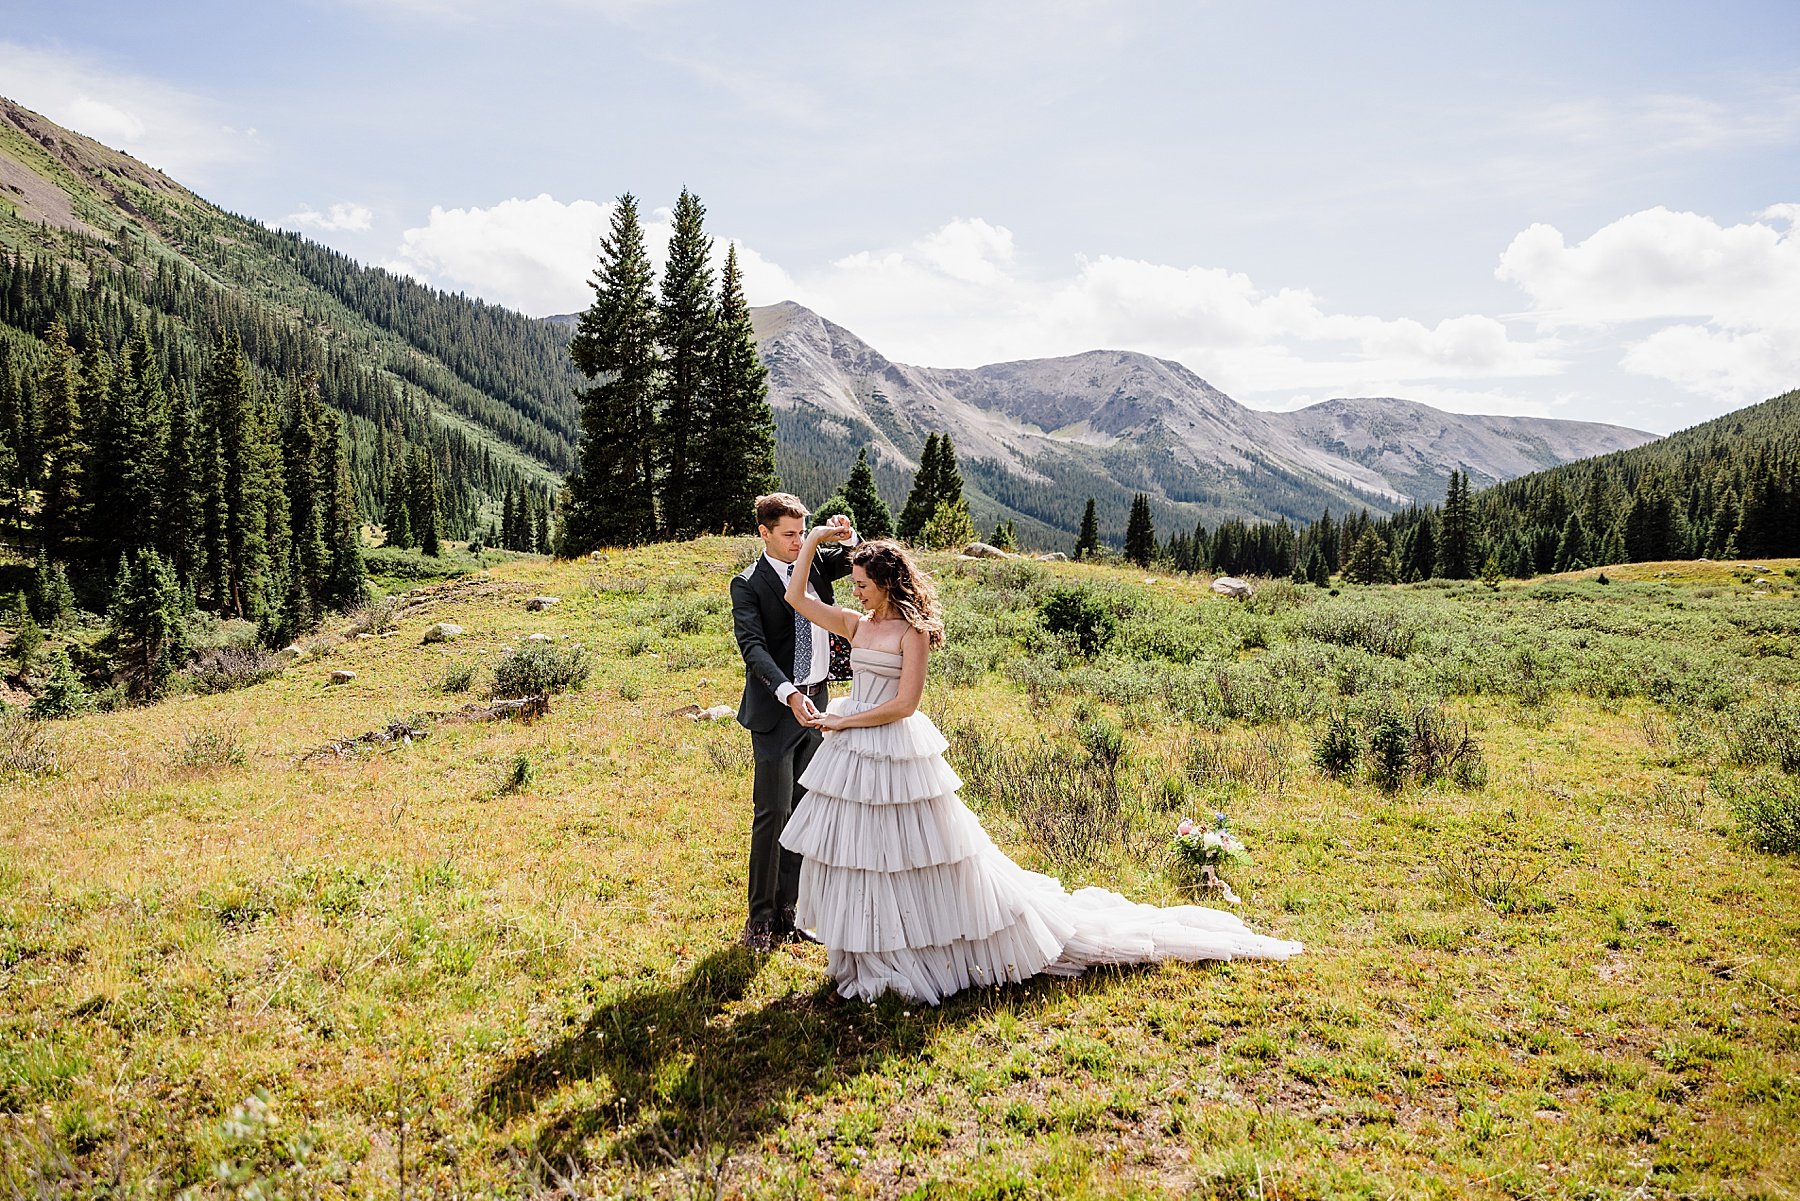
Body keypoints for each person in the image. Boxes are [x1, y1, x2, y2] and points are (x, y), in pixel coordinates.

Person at [778, 531, 1304, 1005]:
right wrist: (815, 539)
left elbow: (907, 704)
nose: (856, 593)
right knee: (865, 854)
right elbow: (795, 598)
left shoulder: (911, 633)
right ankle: (870, 948)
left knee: (916, 855)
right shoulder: (857, 625)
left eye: (864, 583)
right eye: (855, 583)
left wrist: (848, 723)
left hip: (887, 740)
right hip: (854, 747)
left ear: (889, 583)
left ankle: (925, 947)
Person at [731, 493, 858, 951]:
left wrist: (845, 532)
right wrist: (788, 694)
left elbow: (854, 558)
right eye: (789, 535)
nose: (797, 542)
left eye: (802, 533)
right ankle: (760, 920)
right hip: (777, 711)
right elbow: (753, 647)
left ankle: (793, 909)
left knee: (806, 812)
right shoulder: (747, 583)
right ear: (764, 533)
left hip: (820, 704)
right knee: (772, 814)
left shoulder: (815, 562)